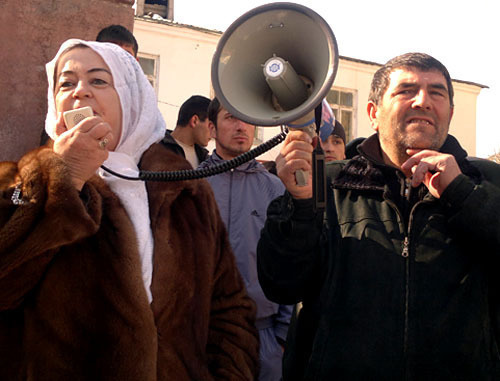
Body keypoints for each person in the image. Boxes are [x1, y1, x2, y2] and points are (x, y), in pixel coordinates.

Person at [0, 39, 258, 380]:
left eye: (98, 80)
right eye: (66, 83)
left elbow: (229, 309)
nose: (80, 93)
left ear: (131, 97)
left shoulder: (186, 192)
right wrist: (64, 179)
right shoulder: (17, 185)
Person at [257, 52, 500, 379]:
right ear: (373, 112)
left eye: (437, 92)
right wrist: (300, 204)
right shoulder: (328, 182)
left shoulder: (485, 180)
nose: (423, 101)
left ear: (450, 113)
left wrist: (461, 193)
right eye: (406, 90)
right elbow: (281, 285)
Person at [199, 97, 293, 381]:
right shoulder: (192, 185)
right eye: (231, 117)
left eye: (248, 118)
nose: (241, 126)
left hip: (264, 335)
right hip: (203, 333)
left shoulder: (275, 187)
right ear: (212, 129)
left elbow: (289, 261)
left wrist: (283, 335)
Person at [162, 95, 211, 168]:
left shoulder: (205, 158)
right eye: (210, 125)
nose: (214, 133)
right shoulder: (157, 149)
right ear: (194, 121)